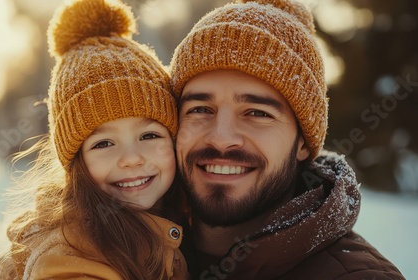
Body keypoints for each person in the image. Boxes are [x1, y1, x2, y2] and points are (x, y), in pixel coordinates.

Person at [170, 0, 405, 279]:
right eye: (200, 109)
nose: (221, 139)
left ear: (303, 143)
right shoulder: (129, 256)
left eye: (257, 113)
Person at [0, 0, 188, 279]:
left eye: (149, 135)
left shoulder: (182, 217)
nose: (132, 158)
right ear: (75, 160)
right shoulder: (71, 254)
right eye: (103, 143)